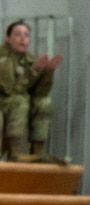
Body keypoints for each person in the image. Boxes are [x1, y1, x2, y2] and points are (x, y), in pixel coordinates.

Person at [0, 20, 57, 163]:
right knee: (19, 101)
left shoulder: (30, 59)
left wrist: (47, 72)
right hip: (4, 100)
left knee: (44, 102)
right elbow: (11, 89)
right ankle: (16, 151)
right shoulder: (3, 59)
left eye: (26, 35)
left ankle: (37, 151)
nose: (23, 39)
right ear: (8, 38)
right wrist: (34, 72)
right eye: (18, 35)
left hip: (16, 100)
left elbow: (40, 92)